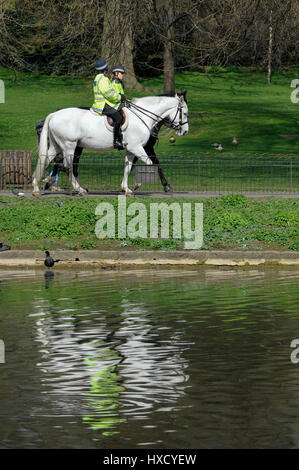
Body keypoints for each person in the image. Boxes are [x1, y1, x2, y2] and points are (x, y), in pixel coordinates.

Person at [92, 58, 126, 150]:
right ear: (105, 68)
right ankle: (116, 141)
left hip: (101, 103)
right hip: (103, 105)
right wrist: (120, 97)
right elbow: (109, 94)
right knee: (118, 118)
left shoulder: (97, 78)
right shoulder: (103, 79)